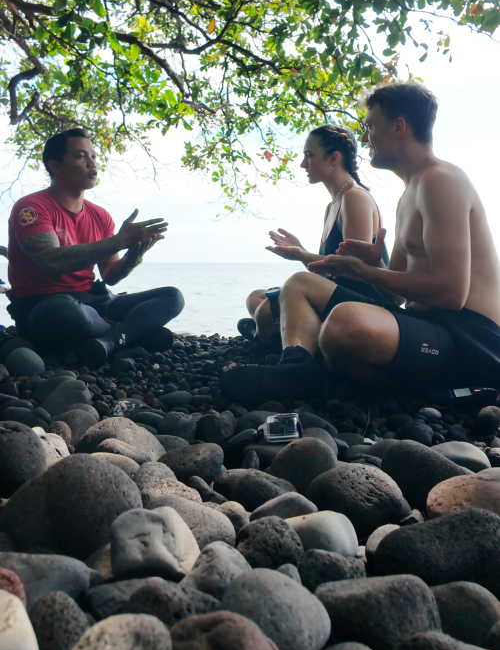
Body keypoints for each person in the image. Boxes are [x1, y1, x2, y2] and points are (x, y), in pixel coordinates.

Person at [221, 81, 500, 406]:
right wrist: (375, 265)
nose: (365, 137)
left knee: (344, 324)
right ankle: (296, 371)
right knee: (299, 284)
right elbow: (395, 294)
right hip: (427, 325)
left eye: (370, 126)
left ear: (399, 127)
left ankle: (425, 392)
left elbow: (452, 294)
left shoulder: (441, 181)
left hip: (468, 338)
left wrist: (367, 273)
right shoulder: (408, 194)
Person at [6, 128, 184, 368]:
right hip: (43, 306)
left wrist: (133, 256)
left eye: (93, 156)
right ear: (55, 165)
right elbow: (51, 261)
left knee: (172, 296)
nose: (92, 163)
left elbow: (110, 276)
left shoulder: (100, 216)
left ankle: (108, 342)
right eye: (81, 156)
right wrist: (121, 240)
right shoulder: (32, 207)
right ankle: (127, 334)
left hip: (94, 302)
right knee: (64, 309)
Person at [239, 124, 388, 361]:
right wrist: (301, 251)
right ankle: (268, 332)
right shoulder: (333, 205)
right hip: (335, 294)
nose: (302, 164)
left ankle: (269, 337)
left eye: (309, 155)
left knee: (266, 311)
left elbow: (355, 271)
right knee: (255, 297)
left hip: (363, 304)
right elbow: (331, 272)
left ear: (334, 159)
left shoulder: (355, 198)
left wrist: (301, 255)